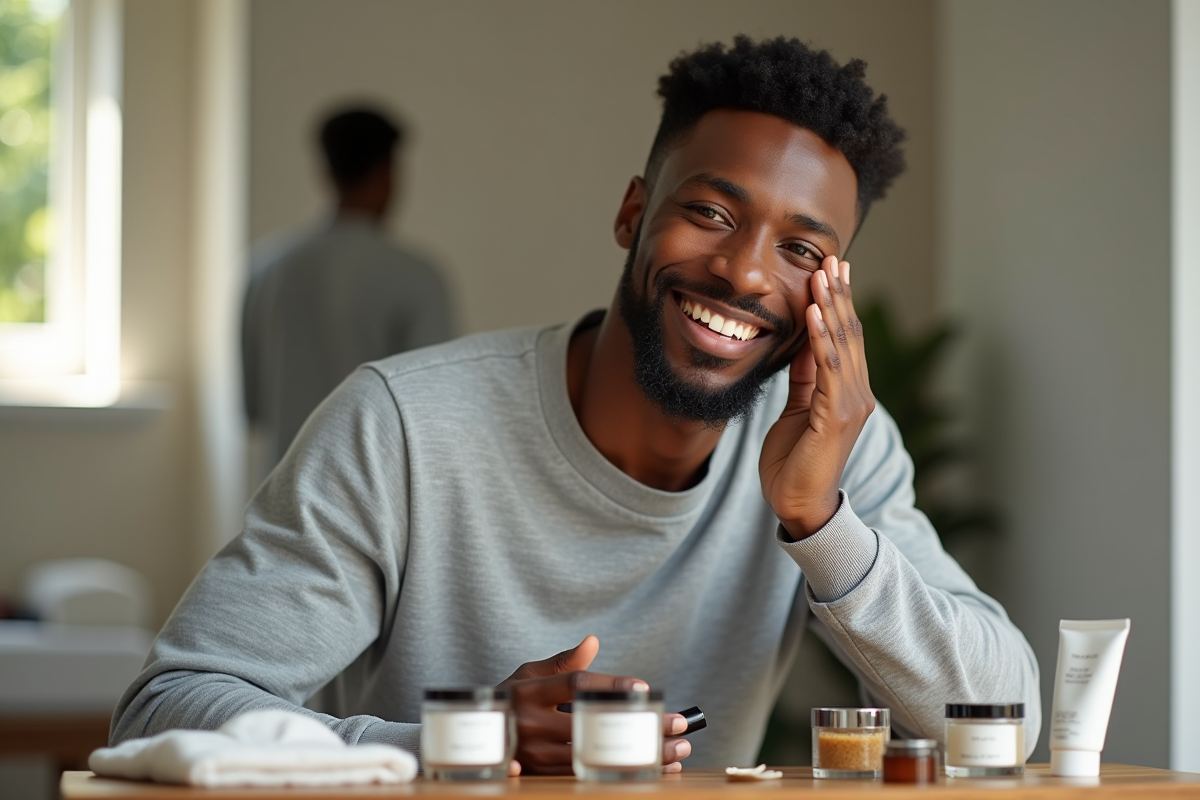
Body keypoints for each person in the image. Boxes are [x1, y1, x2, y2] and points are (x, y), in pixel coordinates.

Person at [115, 37, 1040, 773]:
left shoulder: (835, 451)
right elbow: (166, 705)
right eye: (712, 213)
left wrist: (820, 521)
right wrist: (458, 745)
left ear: (831, 288)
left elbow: (1009, 720)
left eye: (802, 250)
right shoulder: (399, 425)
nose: (745, 271)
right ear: (633, 213)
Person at [241, 106, 453, 470]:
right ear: (388, 173)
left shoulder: (263, 271)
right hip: (376, 505)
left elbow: (253, 408)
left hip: (281, 500)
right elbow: (431, 409)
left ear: (323, 172)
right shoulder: (415, 276)